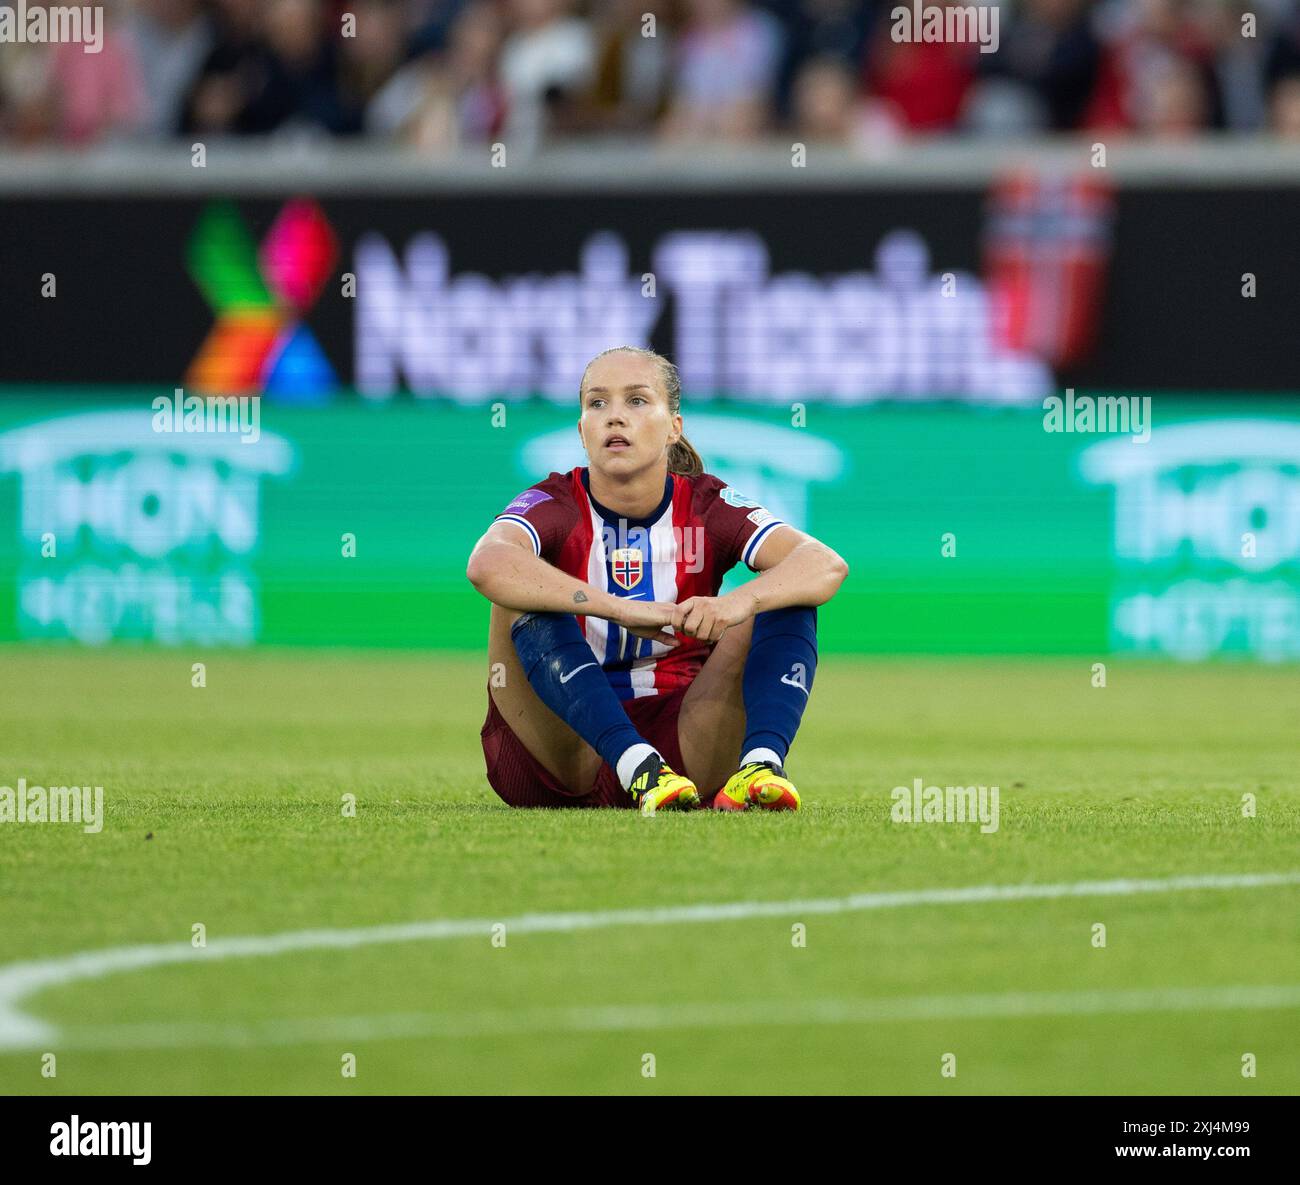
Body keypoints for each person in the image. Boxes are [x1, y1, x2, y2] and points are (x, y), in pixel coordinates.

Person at [466, 346, 849, 815]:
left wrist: (736, 604)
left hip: (683, 751)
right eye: (597, 403)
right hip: (564, 756)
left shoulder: (709, 506)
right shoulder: (554, 502)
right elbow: (486, 564)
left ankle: (761, 767)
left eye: (637, 401)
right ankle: (634, 764)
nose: (615, 418)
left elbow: (824, 564)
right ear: (582, 431)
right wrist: (617, 607)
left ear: (674, 427)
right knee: (519, 591)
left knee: (787, 592)